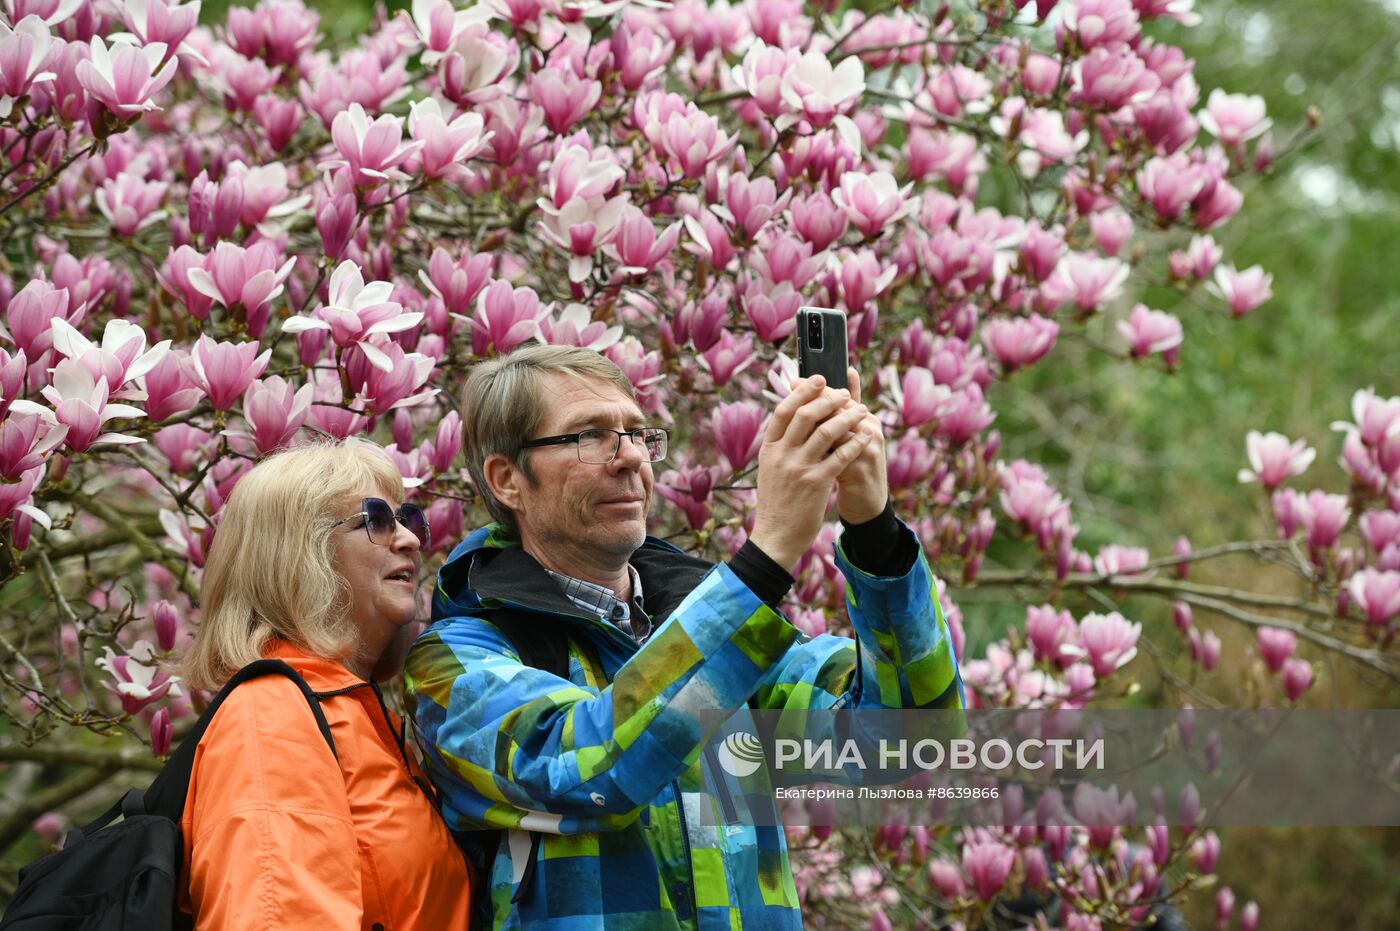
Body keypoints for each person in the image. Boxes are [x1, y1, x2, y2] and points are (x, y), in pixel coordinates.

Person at [407, 345, 964, 930]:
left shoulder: (731, 643)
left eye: (634, 432)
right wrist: (766, 555)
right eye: (588, 436)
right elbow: (593, 771)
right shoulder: (455, 661)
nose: (628, 459)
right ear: (508, 479)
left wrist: (873, 529)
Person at [177, 441, 471, 930]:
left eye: (406, 519)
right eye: (376, 520)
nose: (411, 540)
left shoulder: (359, 717)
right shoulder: (273, 716)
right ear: (298, 553)